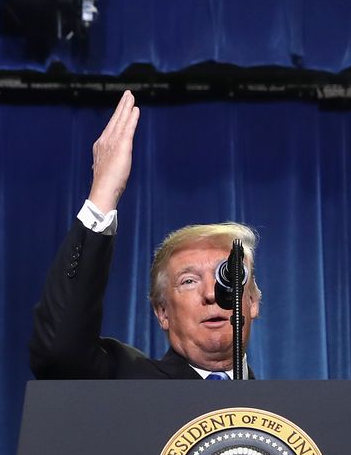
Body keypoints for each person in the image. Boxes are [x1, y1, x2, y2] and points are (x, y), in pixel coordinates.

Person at [30, 91, 262, 380]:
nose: (211, 294)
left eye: (227, 277)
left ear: (252, 302)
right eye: (189, 281)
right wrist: (104, 192)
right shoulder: (129, 382)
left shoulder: (293, 413)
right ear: (162, 312)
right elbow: (58, 352)